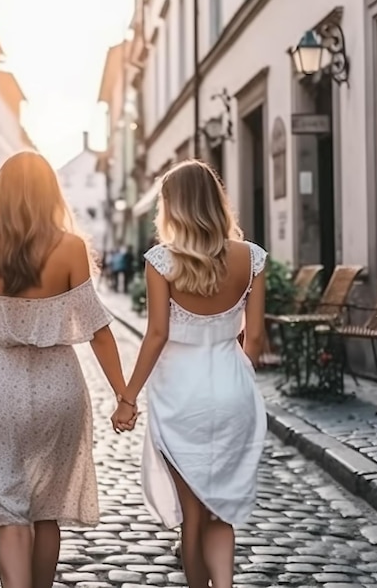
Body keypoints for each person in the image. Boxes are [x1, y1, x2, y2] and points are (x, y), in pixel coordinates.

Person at [0, 151, 134, 588]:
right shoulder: (70, 247)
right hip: (60, 384)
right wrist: (124, 395)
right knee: (48, 508)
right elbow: (99, 331)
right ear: (52, 192)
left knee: (7, 508)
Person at [111, 159, 267, 588]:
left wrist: (128, 397)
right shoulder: (250, 258)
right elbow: (253, 340)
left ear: (171, 207)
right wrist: (236, 374)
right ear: (216, 201)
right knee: (221, 509)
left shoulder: (161, 261)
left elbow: (157, 334)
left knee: (192, 517)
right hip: (232, 387)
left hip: (180, 394)